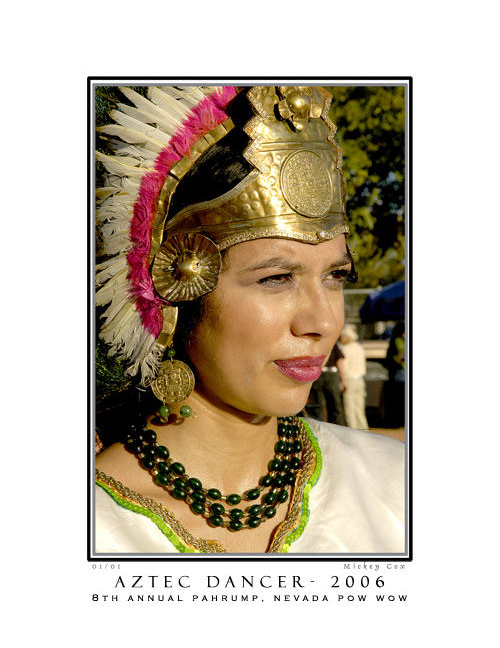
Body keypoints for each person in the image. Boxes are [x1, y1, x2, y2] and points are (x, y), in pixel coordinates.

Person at [94, 85, 405, 554]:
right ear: (174, 286)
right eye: (277, 278)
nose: (323, 320)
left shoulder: (397, 485)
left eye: (337, 276)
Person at [339, 324, 370, 430]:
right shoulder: (360, 347)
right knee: (360, 410)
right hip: (360, 380)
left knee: (350, 410)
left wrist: (342, 381)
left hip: (350, 381)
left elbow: (344, 367)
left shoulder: (346, 349)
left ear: (348, 336)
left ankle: (353, 432)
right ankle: (365, 431)